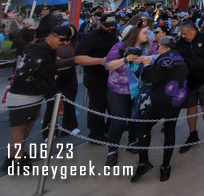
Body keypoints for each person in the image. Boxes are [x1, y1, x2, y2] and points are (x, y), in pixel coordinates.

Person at [2, 25, 72, 170]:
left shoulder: (45, 50)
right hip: (23, 94)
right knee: (19, 127)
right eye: (63, 40)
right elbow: (27, 74)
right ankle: (16, 160)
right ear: (53, 35)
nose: (64, 43)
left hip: (33, 95)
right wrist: (47, 84)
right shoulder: (41, 51)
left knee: (26, 126)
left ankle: (17, 155)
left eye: (67, 41)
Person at [130, 36, 188, 183]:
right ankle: (165, 166)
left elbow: (149, 78)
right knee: (170, 129)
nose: (156, 47)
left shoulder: (162, 60)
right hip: (177, 98)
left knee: (144, 127)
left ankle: (143, 162)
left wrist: (148, 64)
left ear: (163, 46)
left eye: (158, 45)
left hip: (161, 99)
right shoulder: (179, 56)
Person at [103, 24, 157, 166]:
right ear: (135, 33)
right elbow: (108, 65)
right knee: (119, 121)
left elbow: (158, 58)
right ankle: (112, 151)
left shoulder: (149, 47)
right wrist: (126, 59)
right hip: (118, 90)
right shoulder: (120, 46)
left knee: (136, 119)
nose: (148, 34)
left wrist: (149, 59)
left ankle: (132, 142)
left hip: (139, 91)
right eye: (145, 32)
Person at [175, 21, 204, 153]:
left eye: (184, 33)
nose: (182, 36)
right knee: (191, 109)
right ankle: (192, 135)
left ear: (193, 31)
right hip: (188, 84)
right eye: (181, 34)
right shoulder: (179, 44)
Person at [74, 13, 119, 141]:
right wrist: (100, 61)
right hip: (96, 77)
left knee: (113, 106)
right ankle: (96, 133)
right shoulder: (90, 38)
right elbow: (78, 58)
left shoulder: (115, 35)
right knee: (98, 105)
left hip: (114, 77)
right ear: (100, 24)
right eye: (107, 26)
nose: (110, 28)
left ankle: (110, 129)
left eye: (113, 26)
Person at [42, 24, 79, 139]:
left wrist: (70, 61)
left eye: (70, 33)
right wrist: (73, 60)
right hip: (54, 76)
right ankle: (49, 130)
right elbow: (55, 62)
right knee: (51, 104)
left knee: (70, 102)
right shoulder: (49, 45)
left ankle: (70, 127)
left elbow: (79, 58)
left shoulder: (75, 43)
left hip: (70, 74)